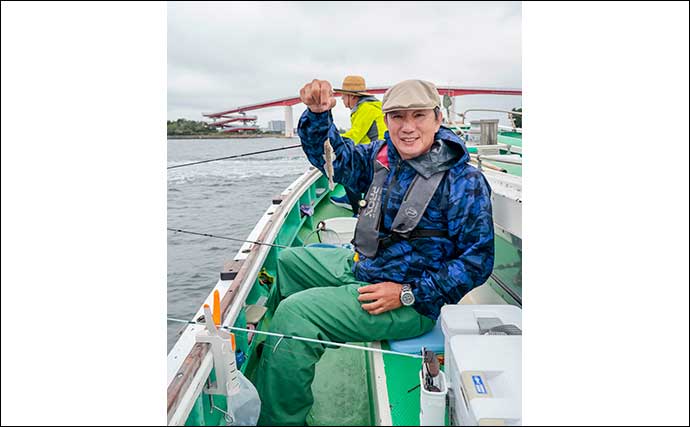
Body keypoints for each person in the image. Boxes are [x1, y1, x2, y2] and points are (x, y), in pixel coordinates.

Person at [254, 79, 495, 426]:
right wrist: (320, 114)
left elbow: (477, 262)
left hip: (412, 299)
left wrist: (409, 294)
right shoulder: (382, 157)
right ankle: (284, 356)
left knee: (295, 314)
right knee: (290, 261)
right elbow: (335, 159)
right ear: (387, 119)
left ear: (438, 118)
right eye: (397, 116)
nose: (408, 127)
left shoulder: (464, 181)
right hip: (366, 266)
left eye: (419, 116)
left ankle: (281, 415)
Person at [329, 75, 387, 215]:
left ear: (352, 96)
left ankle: (356, 209)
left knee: (346, 170)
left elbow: (355, 135)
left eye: (343, 96)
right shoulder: (370, 106)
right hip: (380, 151)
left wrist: (330, 140)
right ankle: (351, 200)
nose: (342, 99)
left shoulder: (365, 108)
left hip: (378, 155)